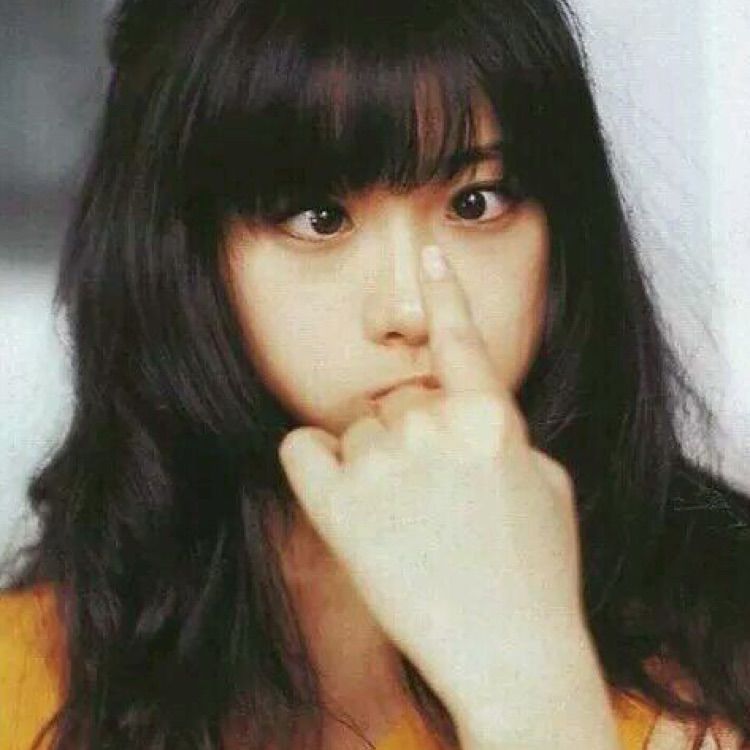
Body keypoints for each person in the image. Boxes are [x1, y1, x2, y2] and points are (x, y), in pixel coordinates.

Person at [1, 0, 749, 748]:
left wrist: (533, 684)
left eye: (476, 203)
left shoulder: (719, 666)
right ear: (182, 252)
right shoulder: (27, 677)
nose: (409, 309)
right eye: (319, 218)